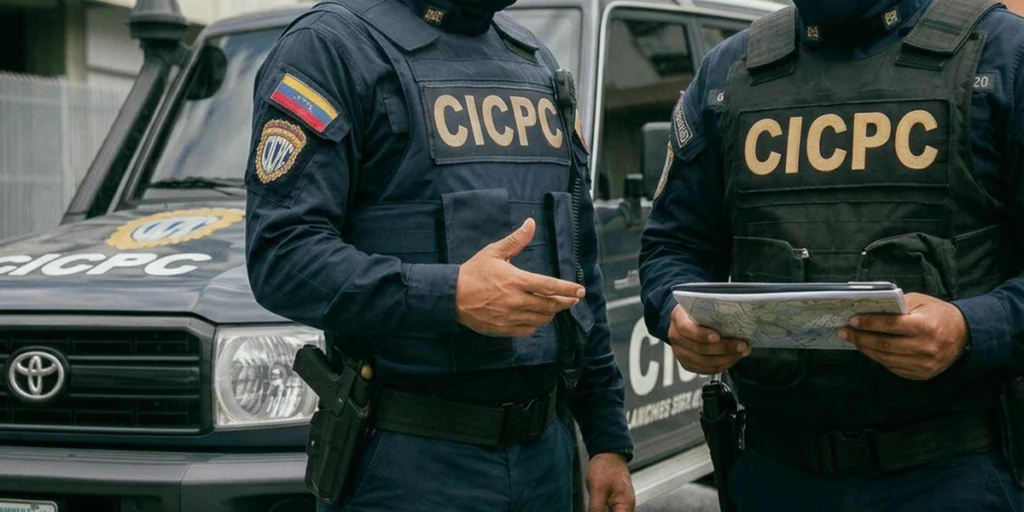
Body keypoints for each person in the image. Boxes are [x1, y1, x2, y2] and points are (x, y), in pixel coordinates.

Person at [243, 1, 635, 511]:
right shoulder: (332, 47)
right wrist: (449, 296)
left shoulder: (534, 60)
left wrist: (606, 439)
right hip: (408, 461)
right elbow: (281, 253)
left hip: (546, 461)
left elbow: (579, 266)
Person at [639, 0, 1024, 510]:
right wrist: (677, 315)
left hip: (954, 475)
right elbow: (673, 245)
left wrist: (970, 329)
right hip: (775, 474)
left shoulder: (1004, 56)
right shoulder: (728, 73)